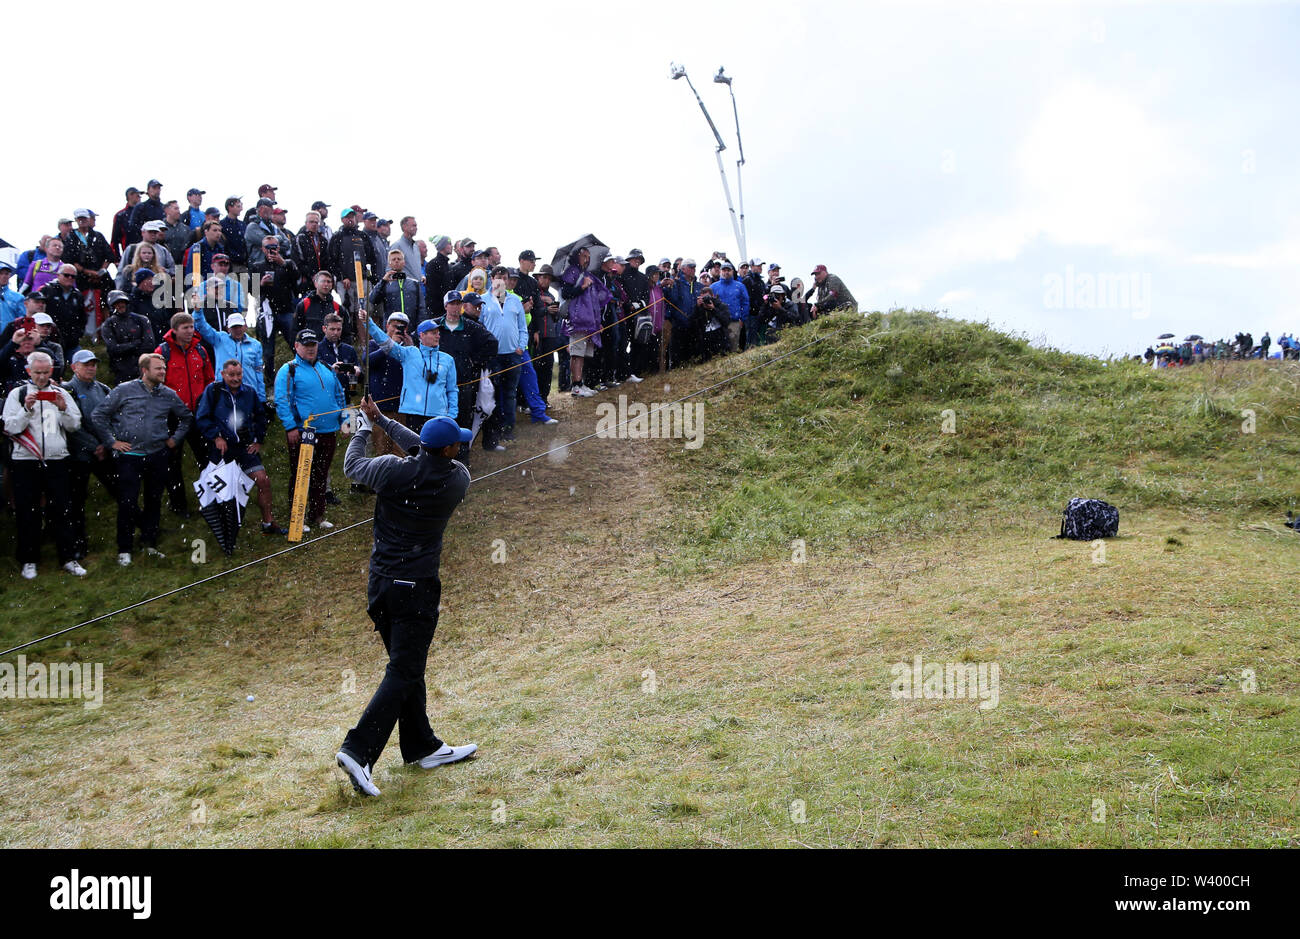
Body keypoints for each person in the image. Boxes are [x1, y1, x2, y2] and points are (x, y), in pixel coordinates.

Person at [334, 399, 476, 797]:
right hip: (417, 588)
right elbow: (422, 449)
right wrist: (384, 422)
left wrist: (367, 426)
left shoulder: (390, 471)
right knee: (404, 669)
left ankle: (422, 746)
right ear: (448, 451)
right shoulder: (457, 479)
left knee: (406, 666)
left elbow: (352, 468)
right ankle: (358, 751)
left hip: (380, 585)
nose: (460, 448)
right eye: (456, 444)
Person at [92, 352, 191, 565]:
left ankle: (149, 543)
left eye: (164, 368)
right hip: (130, 457)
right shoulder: (123, 390)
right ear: (145, 370)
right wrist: (111, 442)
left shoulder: (168, 394)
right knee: (127, 502)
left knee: (154, 501)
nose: (163, 372)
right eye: (158, 368)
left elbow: (186, 417)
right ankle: (124, 549)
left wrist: (175, 439)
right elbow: (99, 415)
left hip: (158, 455)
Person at [2, 350, 84, 579]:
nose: (41, 377)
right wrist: (26, 409)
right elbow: (9, 427)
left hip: (57, 460)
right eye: (37, 372)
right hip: (25, 460)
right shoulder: (17, 394)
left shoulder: (60, 393)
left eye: (45, 372)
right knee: (28, 512)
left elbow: (74, 425)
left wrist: (63, 408)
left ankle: (68, 557)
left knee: (62, 510)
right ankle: (29, 560)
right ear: (28, 371)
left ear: (52, 371)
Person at [194, 359, 287, 536]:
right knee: (224, 490)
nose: (236, 378)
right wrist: (216, 436)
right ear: (223, 374)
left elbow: (261, 417)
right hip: (221, 449)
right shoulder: (213, 391)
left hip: (244, 448)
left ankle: (268, 522)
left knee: (263, 480)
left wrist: (259, 440)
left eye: (239, 375)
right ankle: (224, 529)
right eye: (231, 375)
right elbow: (202, 417)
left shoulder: (249, 392)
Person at [274, 329, 347, 531]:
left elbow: (339, 394)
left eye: (313, 344)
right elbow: (282, 401)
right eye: (306, 345)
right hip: (304, 432)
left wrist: (344, 418)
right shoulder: (289, 370)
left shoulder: (325, 367)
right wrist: (290, 427)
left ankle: (318, 515)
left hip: (328, 430)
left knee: (321, 474)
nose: (310, 348)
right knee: (301, 474)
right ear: (297, 346)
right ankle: (298, 517)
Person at [155, 312, 214, 516]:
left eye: (191, 327)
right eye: (185, 328)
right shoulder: (162, 351)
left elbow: (209, 380)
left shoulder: (200, 349)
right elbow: (155, 384)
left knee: (205, 458)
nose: (190, 331)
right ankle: (178, 505)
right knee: (173, 462)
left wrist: (208, 406)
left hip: (198, 413)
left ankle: (210, 500)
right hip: (173, 415)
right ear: (175, 330)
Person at [63, 349, 119, 559]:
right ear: (74, 367)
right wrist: (94, 445)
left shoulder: (103, 389)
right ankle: (79, 545)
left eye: (94, 364)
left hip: (104, 452)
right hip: (80, 456)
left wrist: (106, 443)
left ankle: (143, 533)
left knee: (122, 493)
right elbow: (72, 426)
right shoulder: (67, 390)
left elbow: (113, 418)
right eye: (86, 364)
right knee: (77, 502)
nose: (91, 367)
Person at [361, 313, 457, 428]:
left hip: (438, 415)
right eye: (433, 333)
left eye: (438, 333)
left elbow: (452, 389)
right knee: (413, 446)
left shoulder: (447, 359)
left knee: (436, 446)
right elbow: (385, 342)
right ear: (422, 335)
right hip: (413, 413)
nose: (438, 336)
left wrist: (451, 415)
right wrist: (369, 323)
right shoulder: (409, 353)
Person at [559, 247, 611, 397]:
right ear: (577, 256)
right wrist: (582, 286)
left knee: (584, 354)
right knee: (576, 353)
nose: (587, 259)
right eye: (584, 256)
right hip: (577, 319)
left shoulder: (589, 275)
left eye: (588, 256)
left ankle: (581, 383)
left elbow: (595, 300)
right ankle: (575, 385)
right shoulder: (571, 271)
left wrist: (597, 321)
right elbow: (566, 292)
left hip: (589, 320)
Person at [366, 312, 412, 457]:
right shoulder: (374, 344)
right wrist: (389, 346)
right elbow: (367, 362)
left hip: (402, 407)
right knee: (382, 450)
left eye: (401, 327)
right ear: (387, 326)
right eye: (394, 326)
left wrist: (410, 346)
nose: (397, 329)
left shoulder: (408, 349)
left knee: (400, 451)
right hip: (379, 407)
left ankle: (400, 479)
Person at [194, 309, 264, 402]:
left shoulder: (255, 345)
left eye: (240, 326)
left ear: (245, 326)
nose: (237, 330)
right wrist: (198, 312)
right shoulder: (219, 339)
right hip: (224, 391)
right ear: (228, 328)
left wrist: (262, 398)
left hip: (249, 392)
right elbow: (202, 327)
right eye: (234, 327)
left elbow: (258, 371)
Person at [327, 207, 380, 316]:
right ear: (342, 219)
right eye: (347, 217)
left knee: (364, 312)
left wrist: (370, 277)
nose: (350, 219)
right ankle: (348, 332)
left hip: (364, 280)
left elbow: (371, 258)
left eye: (352, 216)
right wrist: (341, 277)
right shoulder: (337, 237)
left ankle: (362, 333)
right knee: (346, 312)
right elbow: (332, 260)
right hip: (345, 283)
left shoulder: (363, 236)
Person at [101, 289, 157, 384]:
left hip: (143, 369)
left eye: (122, 302)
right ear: (112, 306)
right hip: (121, 371)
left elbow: (149, 345)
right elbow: (113, 349)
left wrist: (125, 348)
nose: (120, 305)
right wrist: (135, 343)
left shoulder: (142, 320)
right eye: (116, 303)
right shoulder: (108, 324)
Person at [369, 248, 425, 328]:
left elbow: (421, 308)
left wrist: (420, 327)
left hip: (411, 327)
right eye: (393, 259)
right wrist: (383, 281)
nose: (396, 261)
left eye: (399, 259)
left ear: (404, 262)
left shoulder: (414, 283)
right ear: (389, 263)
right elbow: (372, 299)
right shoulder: (385, 284)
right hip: (391, 329)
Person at [712, 261, 751, 353]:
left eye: (728, 270)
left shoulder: (740, 286)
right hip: (718, 323)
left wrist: (742, 319)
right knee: (718, 350)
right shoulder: (713, 287)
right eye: (724, 270)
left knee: (733, 350)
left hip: (734, 322)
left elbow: (745, 303)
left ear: (732, 271)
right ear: (720, 271)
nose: (726, 272)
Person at [111, 187, 142, 260]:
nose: (140, 197)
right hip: (129, 254)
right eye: (137, 195)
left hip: (148, 253)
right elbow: (114, 240)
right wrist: (117, 259)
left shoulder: (144, 213)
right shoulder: (120, 215)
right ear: (130, 196)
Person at [0, 260, 25, 331]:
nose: (4, 276)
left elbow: (23, 319)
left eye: (6, 274)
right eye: (1, 273)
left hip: (10, 337)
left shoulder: (18, 297)